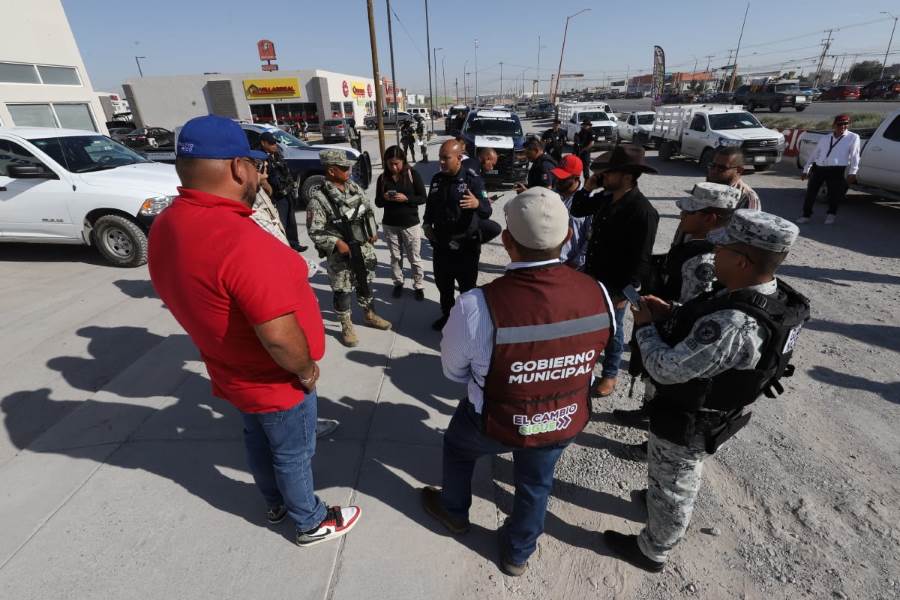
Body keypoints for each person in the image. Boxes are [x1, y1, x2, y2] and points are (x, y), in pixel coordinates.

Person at [147, 115, 360, 547]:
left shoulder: (166, 225)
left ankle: (274, 503)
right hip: (275, 379)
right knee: (293, 454)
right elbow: (279, 336)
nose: (258, 172)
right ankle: (309, 519)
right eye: (253, 164)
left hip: (230, 369)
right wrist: (304, 371)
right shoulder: (241, 240)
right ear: (236, 168)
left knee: (257, 440)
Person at [421, 187, 613, 577]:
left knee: (458, 450)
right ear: (566, 238)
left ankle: (455, 513)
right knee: (536, 483)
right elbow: (600, 351)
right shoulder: (598, 292)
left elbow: (452, 370)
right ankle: (518, 552)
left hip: (495, 419)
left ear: (507, 241)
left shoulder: (478, 304)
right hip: (561, 417)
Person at [603, 210, 810, 573]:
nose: (715, 256)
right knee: (669, 480)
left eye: (723, 250)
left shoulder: (733, 323)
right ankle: (657, 504)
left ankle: (653, 550)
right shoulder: (767, 296)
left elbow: (665, 370)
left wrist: (646, 327)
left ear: (742, 261)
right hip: (714, 412)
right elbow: (715, 321)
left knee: (676, 487)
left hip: (691, 420)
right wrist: (674, 312)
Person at [613, 182, 740, 429]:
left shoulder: (706, 257)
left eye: (689, 212)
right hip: (664, 323)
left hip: (676, 336)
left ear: (710, 217)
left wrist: (661, 311)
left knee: (669, 390)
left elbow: (697, 308)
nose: (682, 215)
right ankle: (649, 410)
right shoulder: (698, 240)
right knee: (654, 384)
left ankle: (655, 431)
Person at [571, 144, 659, 397]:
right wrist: (588, 187)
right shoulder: (605, 198)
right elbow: (577, 209)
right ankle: (583, 369)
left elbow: (642, 260)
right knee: (588, 326)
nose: (604, 176)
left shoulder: (643, 212)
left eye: (610, 172)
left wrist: (626, 294)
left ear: (628, 176)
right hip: (593, 276)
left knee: (614, 331)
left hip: (616, 284)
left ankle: (609, 375)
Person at [307, 149, 392, 347]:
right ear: (331, 170)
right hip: (341, 255)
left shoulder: (354, 187)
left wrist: (372, 229)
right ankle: (346, 324)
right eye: (344, 168)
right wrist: (336, 243)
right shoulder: (319, 199)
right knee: (342, 291)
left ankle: (369, 314)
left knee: (365, 283)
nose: (349, 171)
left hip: (362, 249)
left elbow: (367, 209)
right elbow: (315, 231)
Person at [423, 139, 492, 331]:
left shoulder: (473, 179)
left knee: (467, 290)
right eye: (440, 158)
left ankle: (467, 324)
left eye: (446, 158)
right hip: (442, 245)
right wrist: (427, 223)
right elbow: (430, 206)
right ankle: (447, 316)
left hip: (465, 247)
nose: (441, 162)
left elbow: (487, 210)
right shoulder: (437, 179)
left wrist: (477, 204)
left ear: (459, 158)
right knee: (443, 286)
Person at [374, 145, 427, 301]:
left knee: (414, 258)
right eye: (390, 164)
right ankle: (398, 283)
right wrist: (385, 197)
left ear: (403, 161)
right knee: (395, 257)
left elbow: (423, 198)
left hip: (410, 224)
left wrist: (407, 199)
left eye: (397, 163)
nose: (394, 167)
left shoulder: (413, 174)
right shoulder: (383, 178)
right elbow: (378, 202)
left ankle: (418, 286)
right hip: (390, 225)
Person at [798, 113, 860, 225]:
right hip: (819, 168)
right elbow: (814, 154)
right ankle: (806, 215)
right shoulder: (825, 138)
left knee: (834, 194)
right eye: (840, 124)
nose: (843, 126)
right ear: (834, 125)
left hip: (836, 170)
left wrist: (853, 172)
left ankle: (831, 214)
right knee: (811, 193)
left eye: (846, 124)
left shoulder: (853, 137)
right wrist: (806, 169)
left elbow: (855, 156)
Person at [259, 131, 307, 252]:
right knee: (281, 222)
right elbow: (263, 179)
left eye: (275, 143)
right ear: (263, 143)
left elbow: (285, 171)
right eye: (271, 143)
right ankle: (283, 248)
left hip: (287, 192)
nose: (275, 145)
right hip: (276, 196)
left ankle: (294, 244)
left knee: (291, 220)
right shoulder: (260, 158)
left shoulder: (277, 154)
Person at [550, 154, 591, 271]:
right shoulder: (551, 195)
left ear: (577, 178)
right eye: (557, 176)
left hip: (572, 268)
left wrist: (575, 264)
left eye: (563, 178)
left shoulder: (588, 202)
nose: (558, 180)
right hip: (547, 263)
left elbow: (590, 240)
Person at [706, 146, 760, 211]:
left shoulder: (747, 197)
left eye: (722, 168)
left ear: (739, 170)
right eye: (713, 165)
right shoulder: (706, 187)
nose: (714, 171)